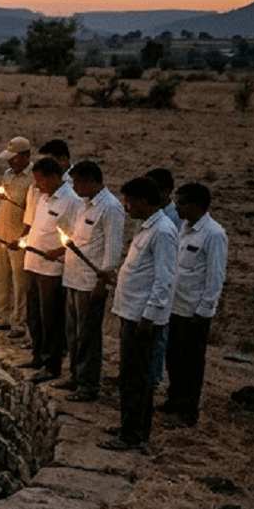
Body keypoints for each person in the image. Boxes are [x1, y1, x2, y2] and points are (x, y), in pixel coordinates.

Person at [100, 177, 177, 451]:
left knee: (137, 377)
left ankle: (132, 433)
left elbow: (164, 279)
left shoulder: (163, 232)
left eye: (130, 202)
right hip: (130, 311)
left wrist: (149, 315)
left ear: (143, 202)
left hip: (142, 317)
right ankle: (130, 425)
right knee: (130, 375)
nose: (127, 207)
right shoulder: (145, 227)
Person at [49, 161, 124, 403]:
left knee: (88, 334)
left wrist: (102, 282)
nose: (75, 187)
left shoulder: (110, 208)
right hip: (73, 277)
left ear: (91, 180)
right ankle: (75, 375)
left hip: (90, 283)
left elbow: (112, 249)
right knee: (73, 332)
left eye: (78, 182)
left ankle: (88, 384)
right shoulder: (83, 205)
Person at [161, 183, 228, 427]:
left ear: (197, 205)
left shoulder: (214, 234)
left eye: (181, 203)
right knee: (174, 359)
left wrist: (204, 310)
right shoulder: (184, 230)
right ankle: (174, 400)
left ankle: (187, 411)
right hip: (175, 307)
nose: (176, 208)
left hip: (193, 311)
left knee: (190, 363)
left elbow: (215, 276)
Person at [20, 156, 80, 383]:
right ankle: (38, 354)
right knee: (34, 314)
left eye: (40, 181)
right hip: (32, 263)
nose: (37, 186)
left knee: (50, 318)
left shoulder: (71, 201)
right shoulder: (43, 198)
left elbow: (75, 237)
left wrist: (58, 251)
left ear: (54, 177)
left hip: (51, 270)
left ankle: (51, 363)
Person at [0, 136, 35, 337]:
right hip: (0, 233)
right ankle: (1, 316)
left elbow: (32, 211)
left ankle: (19, 321)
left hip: (18, 236)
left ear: (25, 156)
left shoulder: (33, 179)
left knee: (19, 281)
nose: (10, 162)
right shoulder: (8, 174)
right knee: (0, 276)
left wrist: (24, 237)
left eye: (14, 158)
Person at [144, 167, 179, 390]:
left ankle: (155, 378)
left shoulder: (173, 220)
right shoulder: (151, 214)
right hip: (149, 281)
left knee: (160, 334)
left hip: (167, 282)